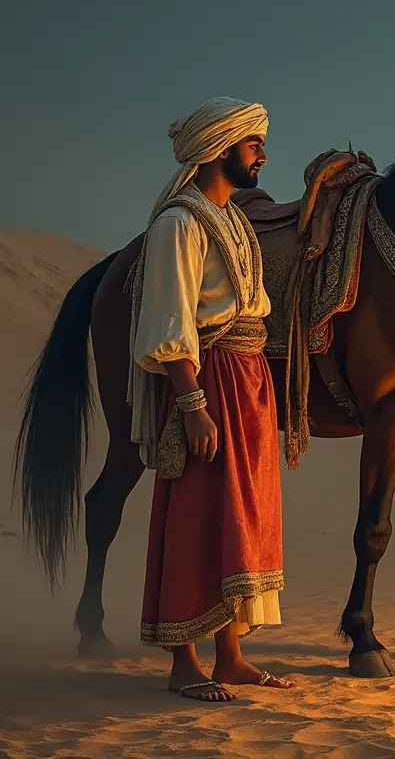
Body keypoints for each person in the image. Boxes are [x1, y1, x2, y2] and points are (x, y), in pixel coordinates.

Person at [126, 96, 294, 702]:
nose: (263, 155)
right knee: (197, 511)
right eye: (253, 145)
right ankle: (183, 664)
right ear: (220, 150)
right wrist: (191, 403)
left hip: (248, 383)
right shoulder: (179, 224)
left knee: (241, 517)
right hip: (210, 382)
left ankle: (231, 655)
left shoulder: (233, 219)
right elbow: (171, 323)